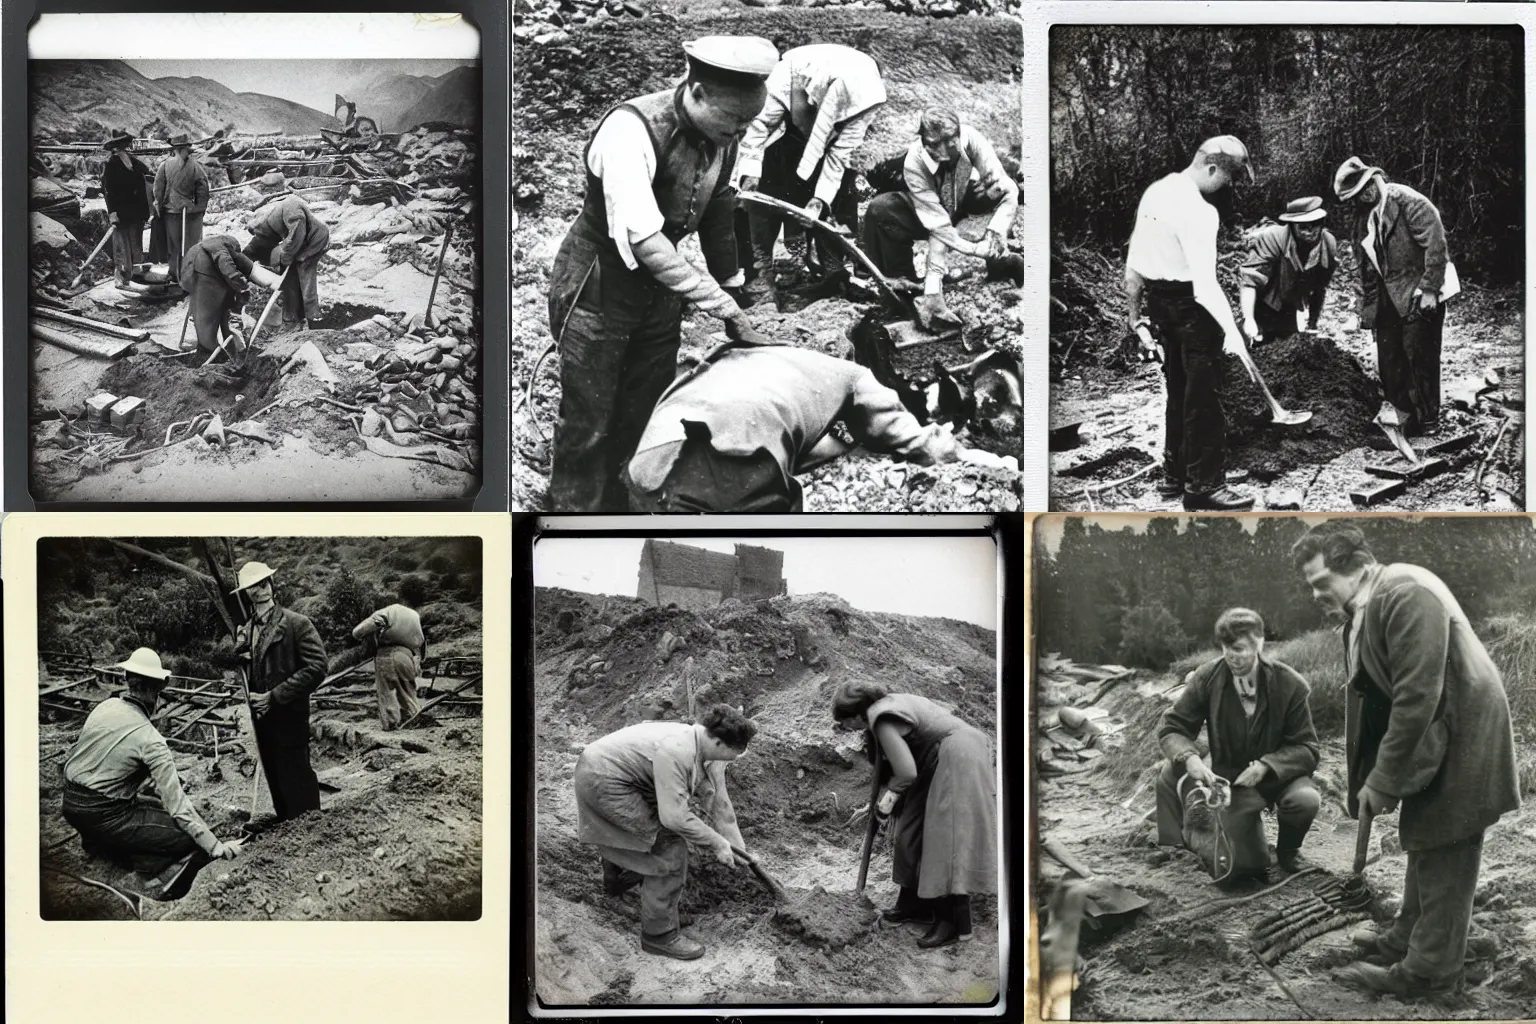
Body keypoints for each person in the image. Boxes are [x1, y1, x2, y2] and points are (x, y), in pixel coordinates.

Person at [546, 36, 780, 513]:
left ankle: (628, 504)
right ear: (696, 92)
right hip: (598, 283)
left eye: (748, 123)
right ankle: (575, 512)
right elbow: (645, 241)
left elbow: (719, 212)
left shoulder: (722, 139)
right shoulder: (630, 131)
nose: (739, 134)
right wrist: (720, 305)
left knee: (647, 409)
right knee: (590, 418)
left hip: (660, 293)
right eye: (734, 121)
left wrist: (734, 288)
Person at [1290, 522, 1519, 998]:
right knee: (1425, 834)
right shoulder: (1367, 605)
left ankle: (1430, 972)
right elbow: (1374, 698)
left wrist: (1385, 778)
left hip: (1462, 731)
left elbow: (1417, 696)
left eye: (1319, 583)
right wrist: (1369, 779)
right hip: (1437, 735)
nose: (1315, 595)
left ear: (1354, 568)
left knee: (1447, 840)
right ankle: (1406, 937)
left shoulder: (1406, 593)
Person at [623, 341, 1014, 512]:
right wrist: (963, 453)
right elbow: (918, 442)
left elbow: (812, 443)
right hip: (732, 462)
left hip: (649, 463)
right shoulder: (858, 378)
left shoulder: (771, 360)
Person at [1125, 135, 1256, 511]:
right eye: (1228, 177)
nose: (1229, 186)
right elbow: (1205, 285)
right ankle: (1204, 486)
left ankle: (1174, 475)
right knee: (1205, 399)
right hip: (1193, 310)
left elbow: (1133, 266)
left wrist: (1136, 320)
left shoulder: (1156, 191)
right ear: (1212, 168)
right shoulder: (1200, 211)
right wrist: (1232, 333)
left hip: (1160, 304)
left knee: (1179, 391)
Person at [573, 704, 757, 960]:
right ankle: (659, 936)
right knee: (669, 850)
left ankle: (617, 879)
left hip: (620, 774)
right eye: (734, 754)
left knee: (652, 831)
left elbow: (721, 809)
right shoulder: (677, 751)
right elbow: (675, 818)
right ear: (717, 742)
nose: (735, 759)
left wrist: (740, 852)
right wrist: (716, 843)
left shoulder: (702, 743)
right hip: (604, 780)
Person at [1154, 608, 1321, 881]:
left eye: (1240, 649)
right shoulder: (1207, 678)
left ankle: (1289, 851)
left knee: (1305, 800)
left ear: (1260, 643)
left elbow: (1308, 748)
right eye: (1225, 648)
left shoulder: (1290, 685)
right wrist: (1190, 758)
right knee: (1244, 870)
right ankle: (1181, 838)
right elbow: (1173, 728)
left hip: (1277, 779)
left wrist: (1268, 766)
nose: (1232, 656)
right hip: (1231, 784)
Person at [832, 680, 996, 949]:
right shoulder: (885, 710)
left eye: (845, 722)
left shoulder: (880, 719)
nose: (846, 728)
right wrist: (880, 802)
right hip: (934, 759)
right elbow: (900, 767)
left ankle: (952, 923)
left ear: (857, 714)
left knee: (945, 839)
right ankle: (914, 905)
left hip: (959, 755)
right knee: (910, 831)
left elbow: (906, 773)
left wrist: (887, 800)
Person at [61, 647, 243, 869]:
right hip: (104, 814)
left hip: (70, 803)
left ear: (128, 680)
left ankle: (97, 841)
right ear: (158, 688)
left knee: (156, 805)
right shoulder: (151, 739)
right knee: (186, 838)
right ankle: (129, 857)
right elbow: (177, 806)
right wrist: (215, 846)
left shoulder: (104, 706)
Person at [736, 43, 887, 306]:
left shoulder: (865, 96)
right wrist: (749, 171)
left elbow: (839, 157)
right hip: (781, 144)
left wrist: (819, 201)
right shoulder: (789, 75)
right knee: (760, 200)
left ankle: (833, 272)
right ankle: (761, 274)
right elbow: (758, 129)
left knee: (842, 192)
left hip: (824, 152)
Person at [861, 108, 1019, 323]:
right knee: (881, 209)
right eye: (933, 144)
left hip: (966, 204)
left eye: (948, 142)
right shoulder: (914, 163)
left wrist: (996, 232)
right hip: (930, 210)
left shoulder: (971, 138)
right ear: (923, 140)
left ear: (959, 135)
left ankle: (1000, 261)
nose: (942, 151)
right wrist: (933, 289)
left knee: (999, 191)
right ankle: (906, 290)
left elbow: (1005, 188)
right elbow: (938, 226)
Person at [1333, 157, 1454, 436]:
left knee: (1418, 355)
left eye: (1366, 188)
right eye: (1357, 195)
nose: (1365, 195)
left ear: (1375, 179)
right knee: (1389, 357)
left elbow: (1436, 245)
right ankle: (1402, 416)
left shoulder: (1409, 202)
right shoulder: (1362, 217)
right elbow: (1363, 264)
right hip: (1386, 294)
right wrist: (1366, 306)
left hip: (1418, 288)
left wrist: (1430, 290)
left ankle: (1428, 420)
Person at [231, 560, 328, 823]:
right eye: (252, 587)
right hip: (261, 719)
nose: (259, 590)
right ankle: (287, 831)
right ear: (246, 593)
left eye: (263, 583)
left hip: (290, 715)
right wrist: (240, 655)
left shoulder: (298, 624)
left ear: (272, 585)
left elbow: (318, 667)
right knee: (274, 776)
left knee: (296, 774)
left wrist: (274, 696)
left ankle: (310, 829)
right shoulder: (246, 630)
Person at [1239, 196, 1338, 345]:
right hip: (1263, 300)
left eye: (1315, 224)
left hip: (1290, 301)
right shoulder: (1273, 238)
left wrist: (1312, 324)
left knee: (1289, 347)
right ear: (1292, 226)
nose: (1310, 231)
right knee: (1259, 344)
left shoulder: (1328, 244)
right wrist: (1249, 319)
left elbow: (1320, 287)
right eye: (1304, 226)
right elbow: (1250, 280)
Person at [180, 235, 282, 355]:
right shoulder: (222, 251)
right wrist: (242, 287)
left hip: (195, 270)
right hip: (204, 275)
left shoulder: (221, 248)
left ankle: (229, 351)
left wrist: (280, 283)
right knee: (207, 320)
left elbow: (252, 271)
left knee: (219, 314)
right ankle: (210, 354)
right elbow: (230, 271)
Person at [242, 194, 331, 330]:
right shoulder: (273, 219)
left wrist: (285, 259)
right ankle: (296, 318)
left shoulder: (292, 211)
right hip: (304, 243)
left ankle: (314, 321)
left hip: (313, 243)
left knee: (306, 279)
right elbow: (259, 244)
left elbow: (296, 237)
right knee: (292, 278)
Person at [352, 574, 428, 731]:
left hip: (388, 654)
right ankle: (414, 721)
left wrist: (369, 635)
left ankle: (392, 727)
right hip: (408, 656)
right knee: (408, 692)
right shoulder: (415, 616)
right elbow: (421, 643)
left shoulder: (390, 610)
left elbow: (358, 631)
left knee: (387, 693)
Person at [153, 132, 209, 285]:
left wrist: (160, 204)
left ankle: (178, 275)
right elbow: (203, 188)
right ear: (183, 149)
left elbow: (158, 189)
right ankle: (186, 276)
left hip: (174, 211)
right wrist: (199, 207)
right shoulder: (195, 166)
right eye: (185, 149)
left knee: (177, 245)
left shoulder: (165, 165)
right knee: (189, 244)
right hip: (187, 212)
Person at [98, 131, 152, 288]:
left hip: (135, 212)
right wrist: (112, 213)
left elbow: (145, 170)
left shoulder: (132, 162)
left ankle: (135, 275)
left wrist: (133, 159)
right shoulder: (111, 165)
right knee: (122, 246)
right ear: (115, 147)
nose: (125, 147)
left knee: (136, 244)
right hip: (121, 212)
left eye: (125, 144)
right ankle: (121, 278)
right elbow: (108, 191)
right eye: (121, 145)